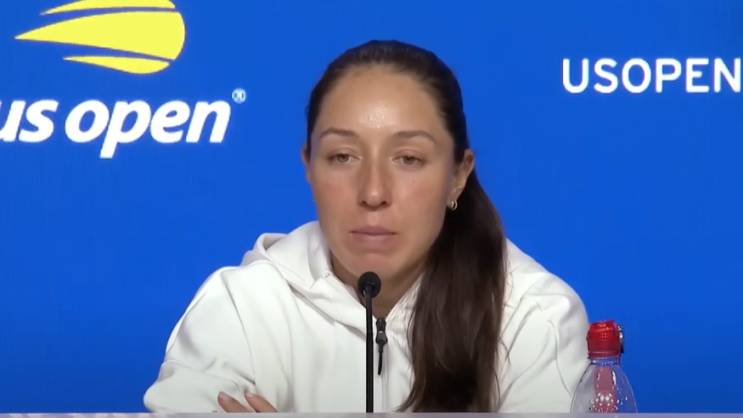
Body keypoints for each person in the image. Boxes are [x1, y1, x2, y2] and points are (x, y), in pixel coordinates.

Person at [143, 40, 589, 412]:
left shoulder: (533, 316)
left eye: (408, 159)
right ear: (309, 167)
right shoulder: (242, 306)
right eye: (342, 157)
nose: (373, 192)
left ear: (458, 174)